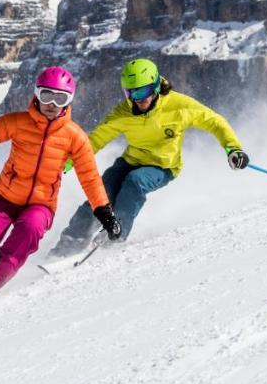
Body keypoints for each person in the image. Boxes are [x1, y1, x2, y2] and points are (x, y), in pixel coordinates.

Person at [0, 66, 121, 316]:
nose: (51, 104)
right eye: (46, 95)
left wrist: (105, 212)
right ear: (36, 94)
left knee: (29, 231)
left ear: (69, 100)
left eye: (60, 98)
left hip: (41, 205)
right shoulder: (18, 122)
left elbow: (90, 177)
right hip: (3, 198)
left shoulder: (74, 137)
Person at [48, 58, 248, 258]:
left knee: (134, 182)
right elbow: (95, 140)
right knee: (101, 193)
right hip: (130, 161)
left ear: (156, 86)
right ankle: (70, 242)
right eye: (131, 93)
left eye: (143, 92)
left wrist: (233, 149)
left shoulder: (178, 106)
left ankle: (116, 235)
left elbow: (215, 122)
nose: (139, 99)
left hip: (163, 166)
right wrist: (67, 162)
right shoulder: (123, 113)